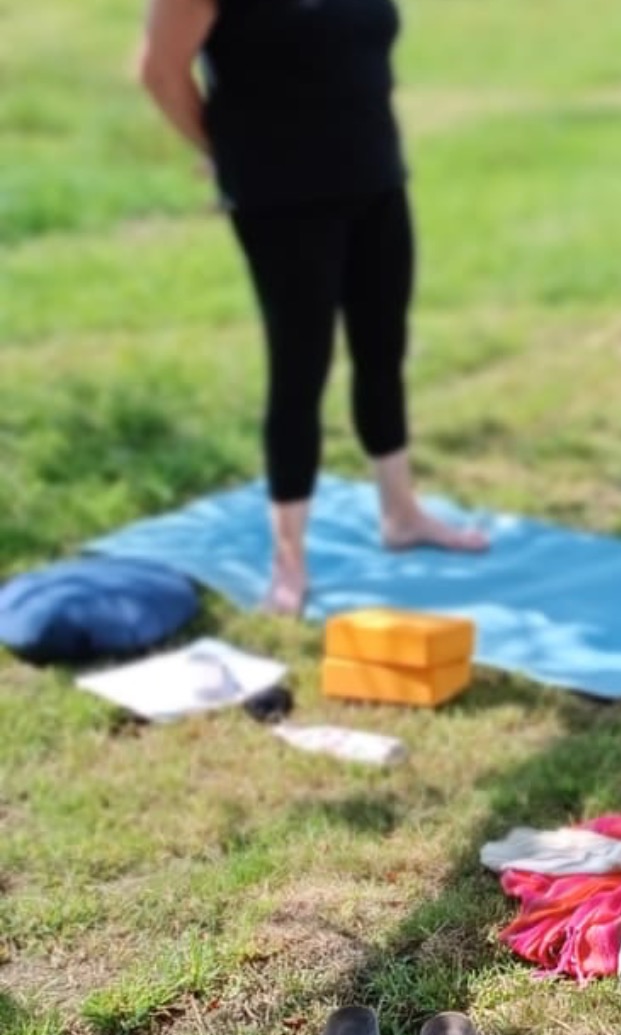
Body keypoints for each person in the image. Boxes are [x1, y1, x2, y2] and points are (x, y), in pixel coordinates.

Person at [136, 0, 486, 616]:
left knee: (383, 346)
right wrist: (225, 152)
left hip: (375, 174)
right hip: (281, 193)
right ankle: (288, 559)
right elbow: (161, 73)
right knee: (301, 365)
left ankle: (401, 513)